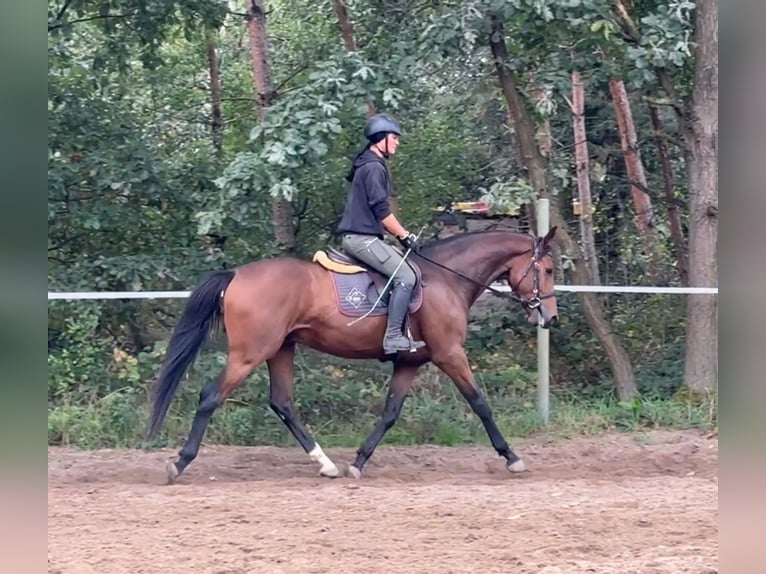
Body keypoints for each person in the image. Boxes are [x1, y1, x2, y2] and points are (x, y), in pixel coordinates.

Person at [335, 113, 426, 354]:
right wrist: (405, 235)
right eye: (394, 137)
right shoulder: (374, 167)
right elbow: (381, 210)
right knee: (406, 277)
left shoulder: (367, 164)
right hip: (361, 239)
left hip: (363, 237)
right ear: (380, 139)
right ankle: (393, 336)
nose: (397, 142)